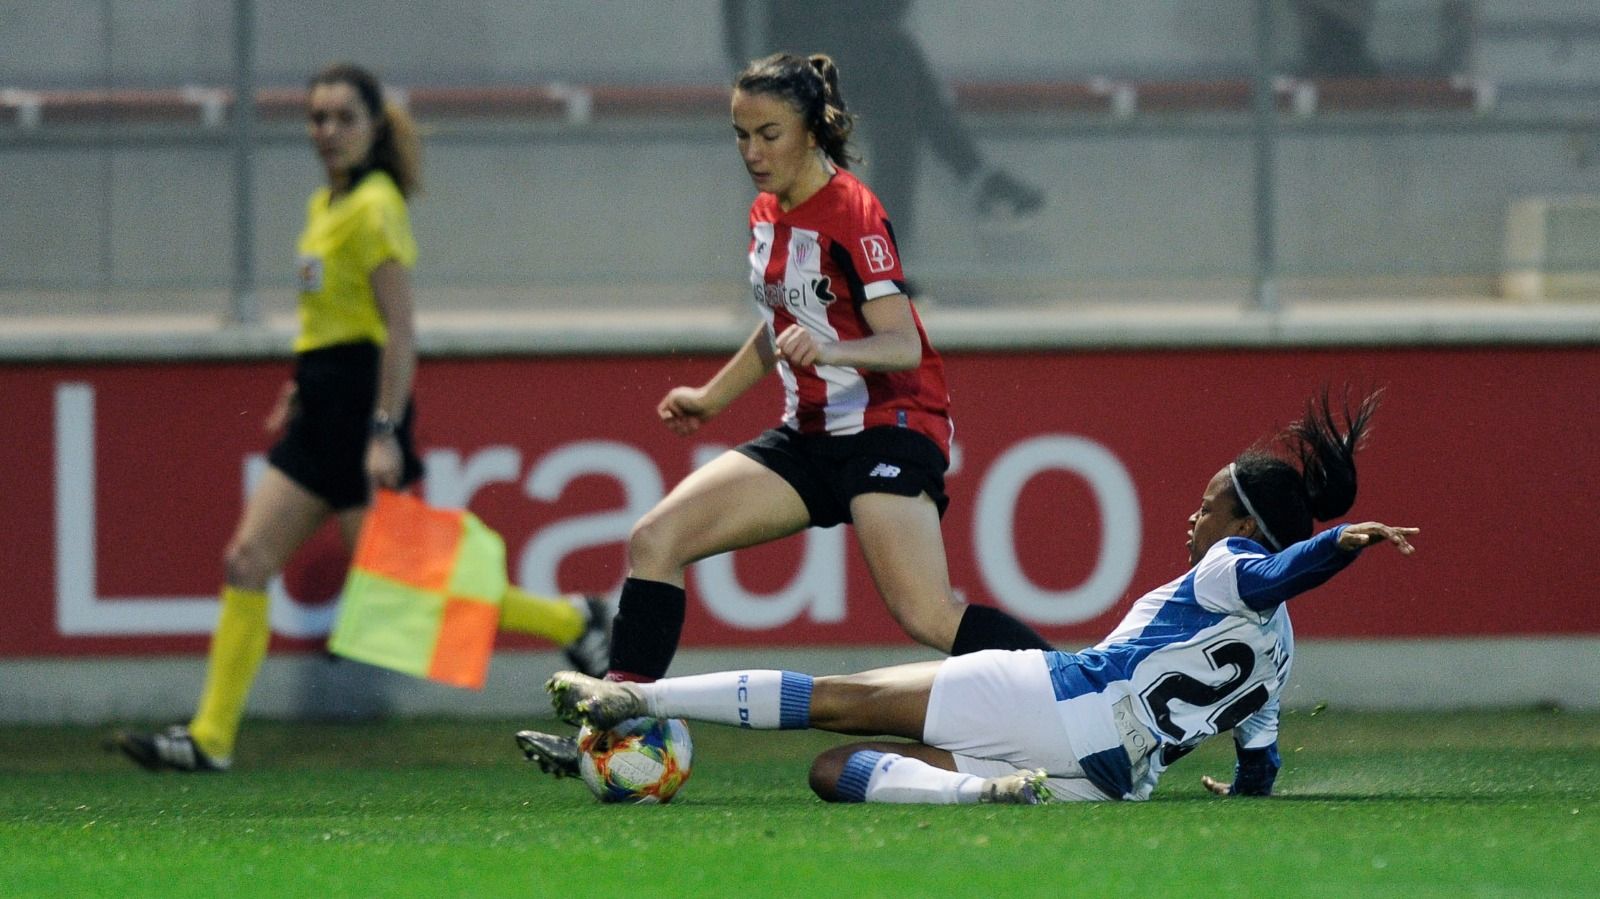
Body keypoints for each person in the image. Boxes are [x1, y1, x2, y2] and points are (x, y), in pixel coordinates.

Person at [515, 52, 1053, 778]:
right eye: (741, 135)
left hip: (887, 429)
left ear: (811, 130)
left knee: (927, 615)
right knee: (656, 538)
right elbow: (781, 322)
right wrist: (711, 396)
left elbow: (900, 342)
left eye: (768, 134)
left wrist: (832, 347)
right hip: (808, 438)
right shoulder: (767, 212)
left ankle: (1074, 697)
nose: (752, 153)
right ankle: (614, 735)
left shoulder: (853, 213)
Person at [540, 389, 1418, 804]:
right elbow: (1261, 760)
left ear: (1249, 526)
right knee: (833, 777)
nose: (1196, 516)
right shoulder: (1280, 657)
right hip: (1109, 783)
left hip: (1051, 692)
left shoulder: (1234, 565)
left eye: (1211, 501)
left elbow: (1272, 573)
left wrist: (1335, 546)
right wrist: (1244, 791)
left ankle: (634, 694)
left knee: (835, 704)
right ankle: (978, 795)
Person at [112, 63, 608, 774]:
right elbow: (328, 317)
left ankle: (571, 619)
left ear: (374, 126)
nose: (328, 131)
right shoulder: (327, 203)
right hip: (320, 408)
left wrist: (382, 428)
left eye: (344, 117)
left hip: (361, 412)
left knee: (405, 583)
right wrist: (297, 386)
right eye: (317, 118)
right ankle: (210, 737)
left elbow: (399, 331)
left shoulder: (376, 205)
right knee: (246, 560)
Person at [723, 1, 1045, 246]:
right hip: (777, 49)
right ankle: (896, 231)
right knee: (897, 62)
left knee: (898, 77)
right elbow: (747, 27)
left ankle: (890, 233)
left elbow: (892, 8)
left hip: (846, 48)